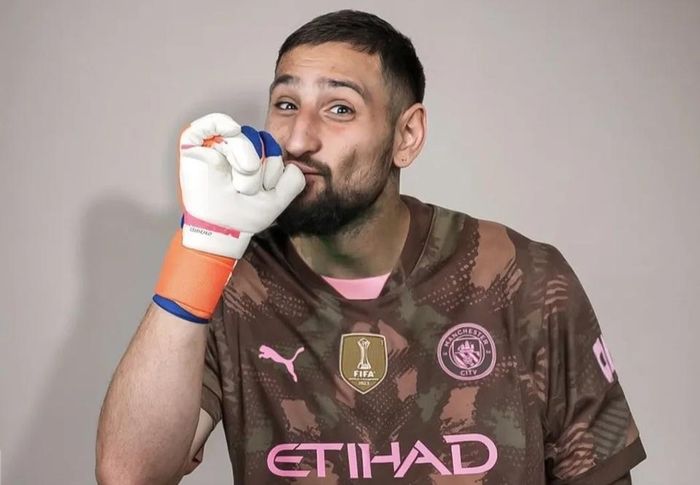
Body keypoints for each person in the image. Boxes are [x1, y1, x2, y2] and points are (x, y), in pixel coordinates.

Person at [95, 9, 646, 484]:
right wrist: (202, 250)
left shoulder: (521, 276)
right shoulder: (234, 281)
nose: (298, 139)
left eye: (339, 109)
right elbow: (129, 474)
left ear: (407, 136)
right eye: (285, 103)